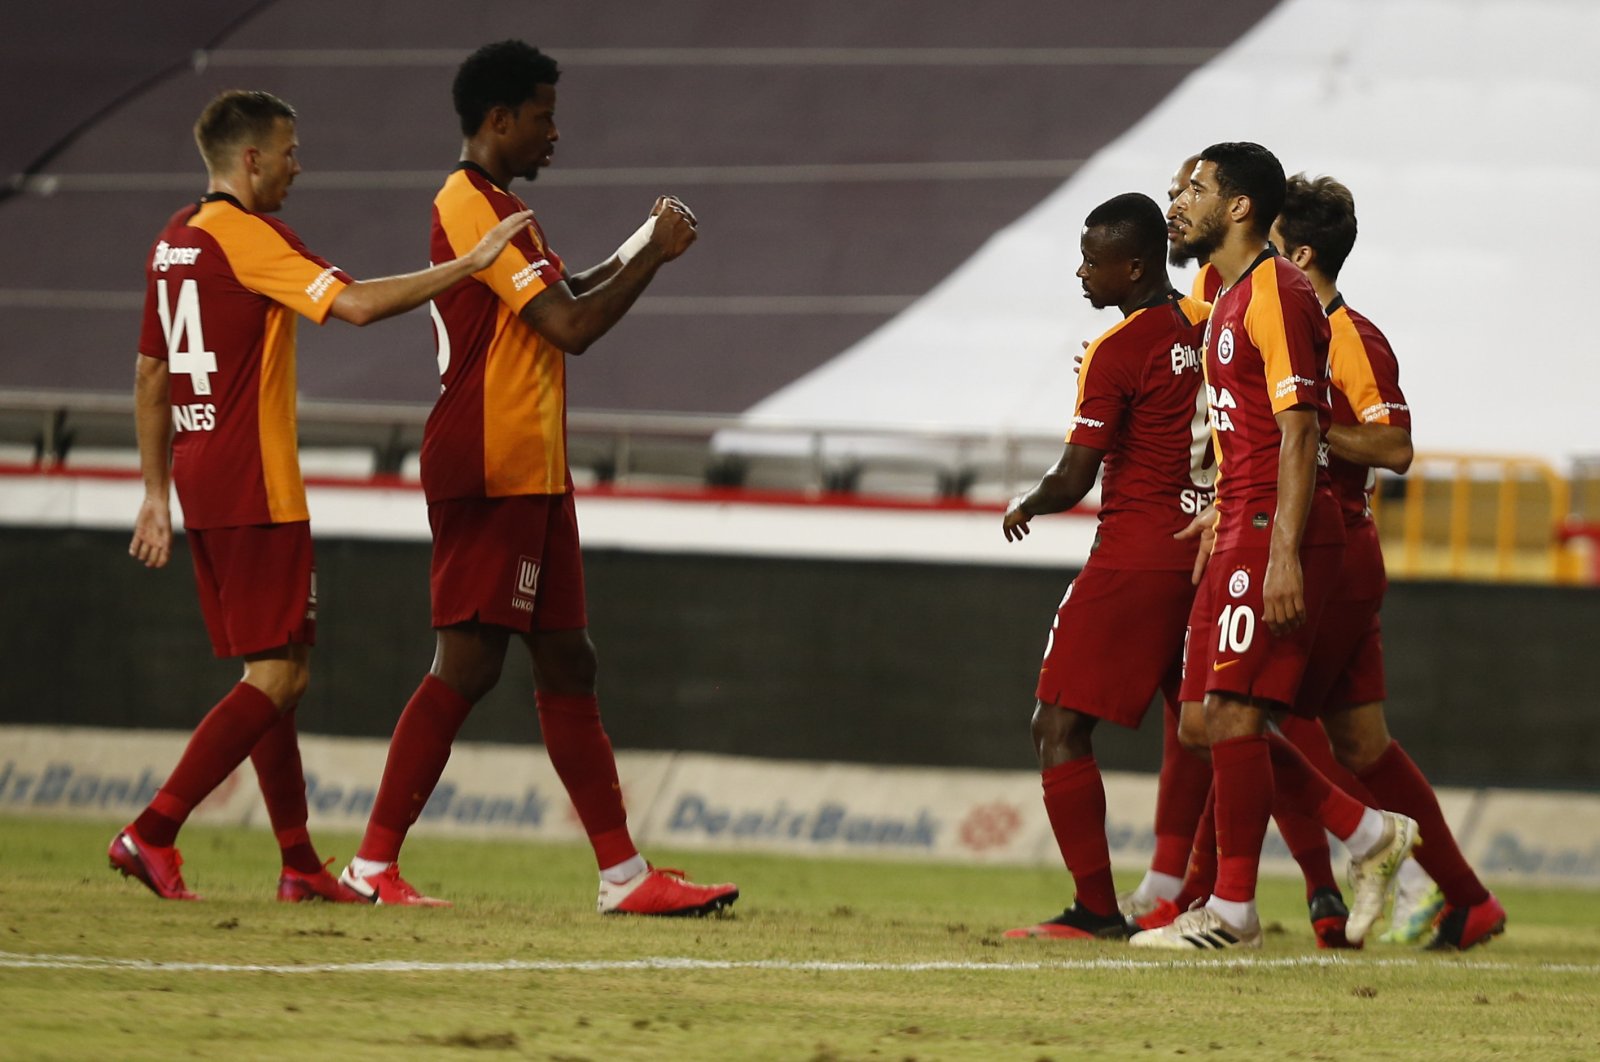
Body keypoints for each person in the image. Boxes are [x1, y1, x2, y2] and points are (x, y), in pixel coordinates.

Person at [338, 40, 738, 916]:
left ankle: (624, 877)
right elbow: (572, 325)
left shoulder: (503, 210)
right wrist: (656, 256)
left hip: (531, 467)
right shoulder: (468, 204)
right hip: (488, 462)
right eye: (544, 116)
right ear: (499, 120)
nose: (556, 133)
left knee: (568, 660)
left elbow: (566, 294)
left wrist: (643, 243)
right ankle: (369, 867)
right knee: (470, 664)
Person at [114, 89, 534, 901]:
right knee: (277, 678)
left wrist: (155, 493)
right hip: (255, 479)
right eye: (290, 151)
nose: (297, 166)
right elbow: (360, 305)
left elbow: (149, 373)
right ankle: (152, 830)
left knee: (277, 668)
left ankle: (299, 864)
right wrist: (470, 266)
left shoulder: (173, 241)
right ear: (250, 159)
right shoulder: (249, 237)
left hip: (202, 476)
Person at [1130, 143, 1416, 950]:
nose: (1179, 202)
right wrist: (1222, 505)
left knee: (1234, 714)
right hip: (1243, 519)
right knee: (1200, 722)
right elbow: (1248, 432)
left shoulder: (1279, 292)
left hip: (1275, 528)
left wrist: (1282, 548)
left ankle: (1232, 911)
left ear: (1241, 207)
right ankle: (1365, 834)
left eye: (1195, 189)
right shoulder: (1226, 298)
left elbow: (1298, 432)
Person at [1271, 173, 1504, 950]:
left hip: (1335, 548)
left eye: (1273, 251)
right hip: (1342, 548)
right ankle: (1469, 900)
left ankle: (1225, 897)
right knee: (1362, 744)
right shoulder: (1299, 330)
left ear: (1300, 254)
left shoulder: (1348, 337)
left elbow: (1394, 446)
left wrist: (1304, 426)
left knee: (1245, 717)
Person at [998, 192, 1212, 940]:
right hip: (1204, 550)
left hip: (1136, 555)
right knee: (1222, 730)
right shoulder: (1208, 326)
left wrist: (1027, 501)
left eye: (1095, 260)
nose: (1082, 272)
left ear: (1137, 264)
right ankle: (1360, 838)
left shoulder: (1117, 350)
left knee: (1056, 724)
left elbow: (1076, 475)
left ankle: (1096, 909)